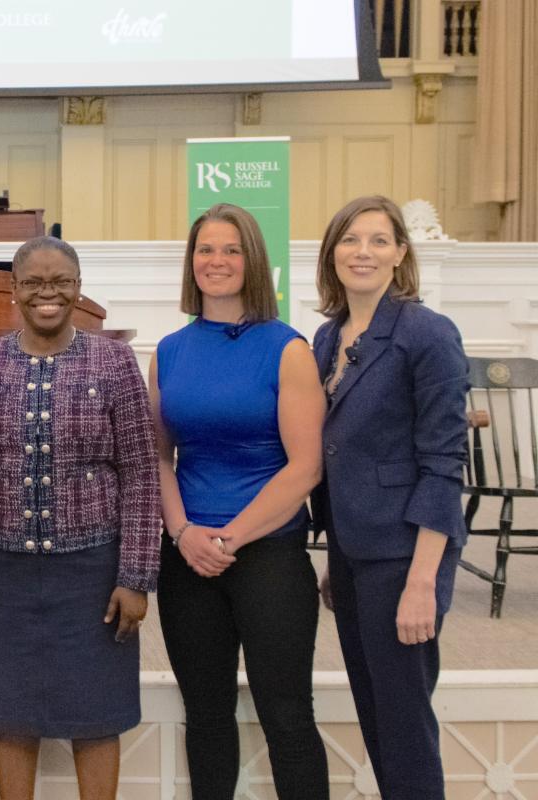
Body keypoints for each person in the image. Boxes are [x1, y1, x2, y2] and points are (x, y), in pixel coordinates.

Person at [0, 236, 160, 800]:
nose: (47, 293)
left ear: (78, 288)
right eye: (34, 282)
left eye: (60, 281)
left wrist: (135, 578)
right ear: (13, 291)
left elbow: (140, 472)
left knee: (97, 713)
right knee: (10, 713)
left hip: (94, 573)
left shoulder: (113, 362)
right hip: (1, 575)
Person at [150, 203, 329, 799]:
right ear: (191, 261)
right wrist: (182, 534)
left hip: (267, 555)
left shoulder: (287, 348)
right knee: (205, 718)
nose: (217, 261)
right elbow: (159, 458)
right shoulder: (169, 351)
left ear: (253, 260)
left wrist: (228, 537)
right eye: (206, 249)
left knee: (287, 717)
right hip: (188, 557)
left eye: (232, 249)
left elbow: (305, 467)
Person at [313, 195, 469, 799]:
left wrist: (423, 581)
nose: (364, 252)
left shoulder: (426, 332)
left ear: (401, 253)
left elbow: (443, 464)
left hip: (407, 557)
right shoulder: (329, 336)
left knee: (404, 723)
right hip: (354, 556)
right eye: (350, 240)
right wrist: (335, 555)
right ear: (333, 254)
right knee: (376, 714)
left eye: (379, 240)